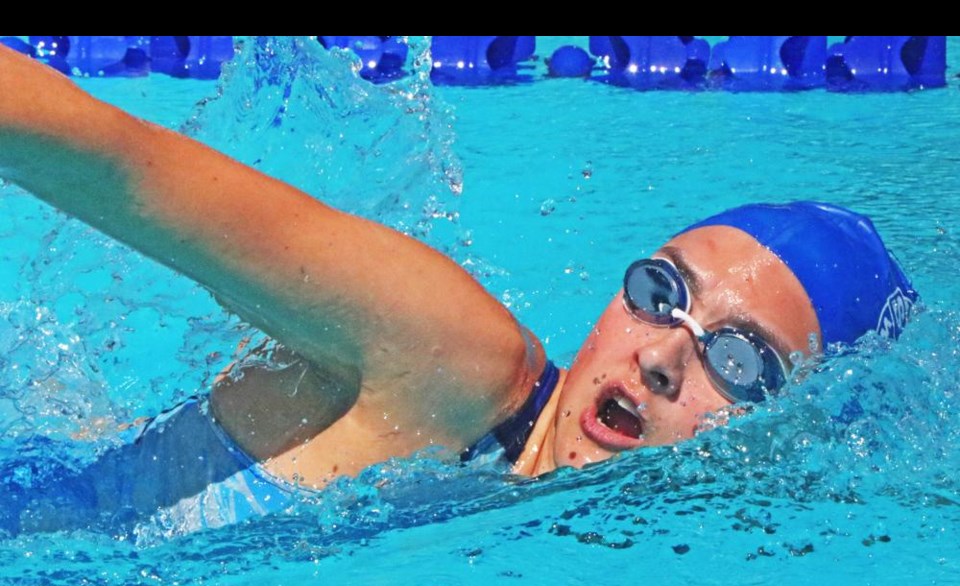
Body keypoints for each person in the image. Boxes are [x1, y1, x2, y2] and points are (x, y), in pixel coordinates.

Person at [0, 45, 917, 535]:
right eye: (659, 290)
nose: (664, 355)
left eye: (738, 357)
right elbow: (116, 165)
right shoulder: (455, 360)